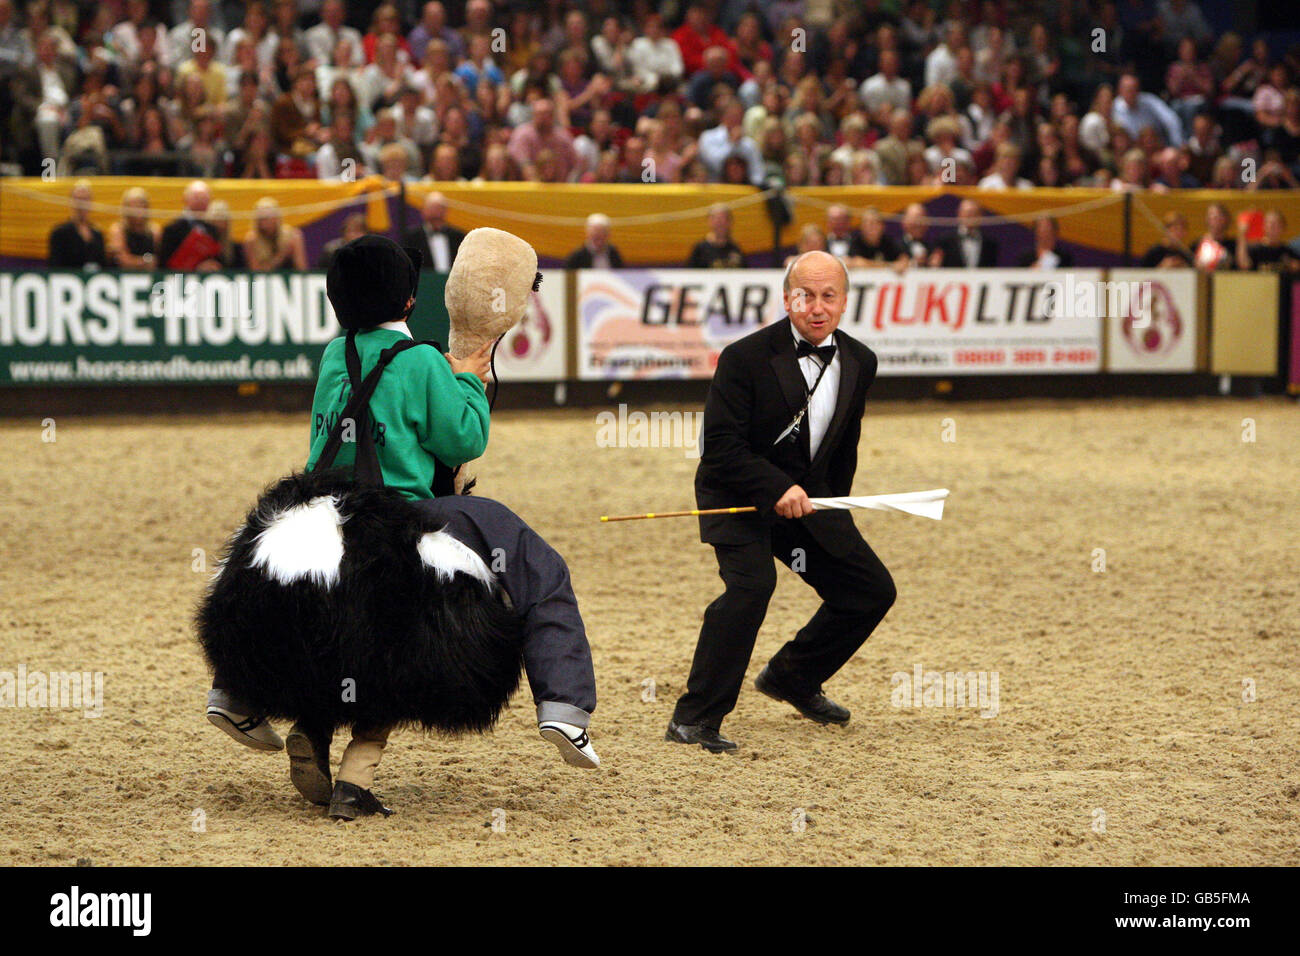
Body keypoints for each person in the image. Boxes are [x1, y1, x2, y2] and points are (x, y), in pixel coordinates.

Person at [203, 235, 599, 817]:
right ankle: (565, 707)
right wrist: (466, 377)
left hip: (324, 509)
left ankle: (236, 692)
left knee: (261, 562)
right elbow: (464, 439)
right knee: (530, 556)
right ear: (411, 302)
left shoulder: (336, 354)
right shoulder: (420, 361)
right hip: (401, 515)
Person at [667, 250, 894, 752]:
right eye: (805, 295)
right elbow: (721, 448)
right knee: (751, 588)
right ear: (786, 299)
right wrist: (775, 489)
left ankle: (793, 676)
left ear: (845, 300)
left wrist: (836, 510)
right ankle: (694, 718)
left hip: (807, 503)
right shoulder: (743, 358)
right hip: (737, 497)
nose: (817, 307)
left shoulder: (861, 361)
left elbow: (843, 446)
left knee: (870, 590)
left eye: (828, 295)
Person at [158, 180, 222, 271]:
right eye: (197, 197)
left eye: (204, 198)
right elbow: (164, 265)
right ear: (185, 199)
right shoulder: (172, 229)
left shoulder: (213, 230)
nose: (201, 202)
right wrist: (195, 268)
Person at [47, 179, 107, 269]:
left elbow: (102, 265)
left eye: (85, 200)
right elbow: (55, 266)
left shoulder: (97, 234)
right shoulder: (59, 233)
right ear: (70, 202)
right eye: (78, 200)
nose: (82, 204)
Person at [400, 191, 465, 271]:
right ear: (423, 211)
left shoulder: (458, 237)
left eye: (440, 208)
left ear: (446, 211)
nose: (436, 212)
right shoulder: (411, 237)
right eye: (432, 208)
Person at [243, 197, 306, 272]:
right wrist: (282, 255)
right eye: (260, 219)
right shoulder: (251, 240)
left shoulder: (293, 236)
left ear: (277, 218)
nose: (263, 223)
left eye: (266, 218)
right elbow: (256, 272)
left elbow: (302, 269)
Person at [106, 187, 161, 271]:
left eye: (141, 204)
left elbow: (159, 259)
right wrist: (145, 262)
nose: (138, 209)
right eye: (134, 205)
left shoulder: (154, 230)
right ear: (125, 208)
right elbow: (123, 261)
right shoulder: (118, 229)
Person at [938, 199, 1000, 267]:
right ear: (959, 214)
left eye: (974, 213)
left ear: (981, 216)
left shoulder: (990, 243)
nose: (970, 216)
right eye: (967, 213)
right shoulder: (946, 240)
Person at [687, 204, 744, 268]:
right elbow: (690, 275)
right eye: (717, 221)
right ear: (710, 222)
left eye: (725, 220)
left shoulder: (735, 249)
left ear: (730, 222)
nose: (721, 224)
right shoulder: (700, 250)